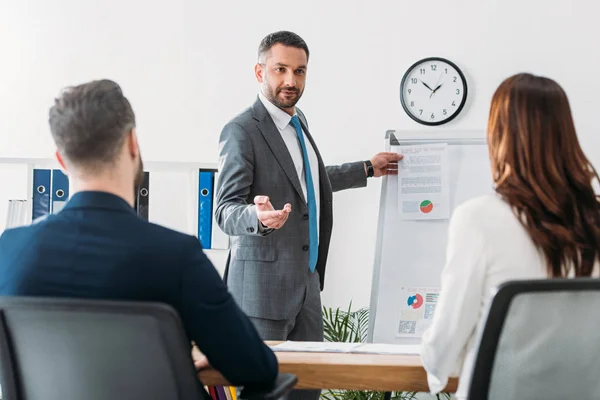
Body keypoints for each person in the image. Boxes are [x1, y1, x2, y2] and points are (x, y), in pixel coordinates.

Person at [0, 79, 277, 391]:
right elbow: (256, 368)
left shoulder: (9, 250)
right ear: (132, 143)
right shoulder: (177, 256)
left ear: (61, 161)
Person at [214, 30, 401, 400]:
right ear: (259, 72)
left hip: (307, 286)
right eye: (280, 69)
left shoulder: (299, 125)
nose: (290, 80)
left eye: (299, 72)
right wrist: (257, 216)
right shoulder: (242, 131)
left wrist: (367, 167)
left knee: (307, 392)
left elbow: (310, 185)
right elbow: (224, 209)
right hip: (261, 293)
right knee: (262, 393)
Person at [420, 73, 600, 399]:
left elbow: (443, 349)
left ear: (499, 135)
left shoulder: (479, 219)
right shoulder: (594, 218)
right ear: (566, 134)